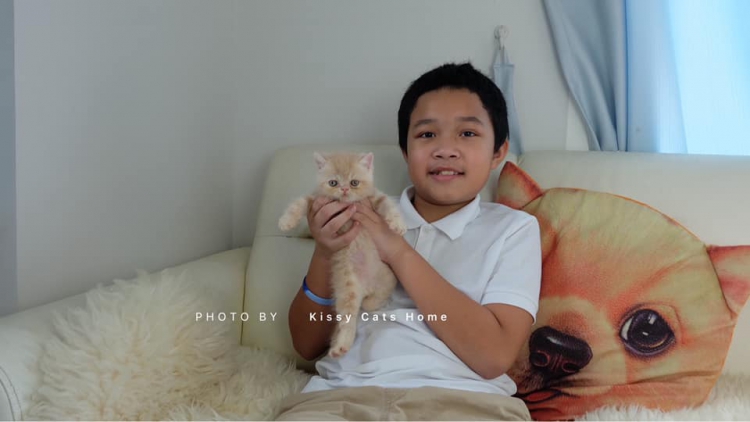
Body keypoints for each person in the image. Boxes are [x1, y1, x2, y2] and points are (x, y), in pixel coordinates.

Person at [276, 62, 542, 421]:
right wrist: (326, 252)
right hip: (342, 397)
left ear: (498, 151)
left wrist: (397, 250)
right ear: (405, 151)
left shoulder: (514, 230)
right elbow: (306, 344)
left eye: (467, 133)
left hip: (467, 402)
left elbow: (493, 356)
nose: (445, 149)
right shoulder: (360, 215)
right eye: (427, 134)